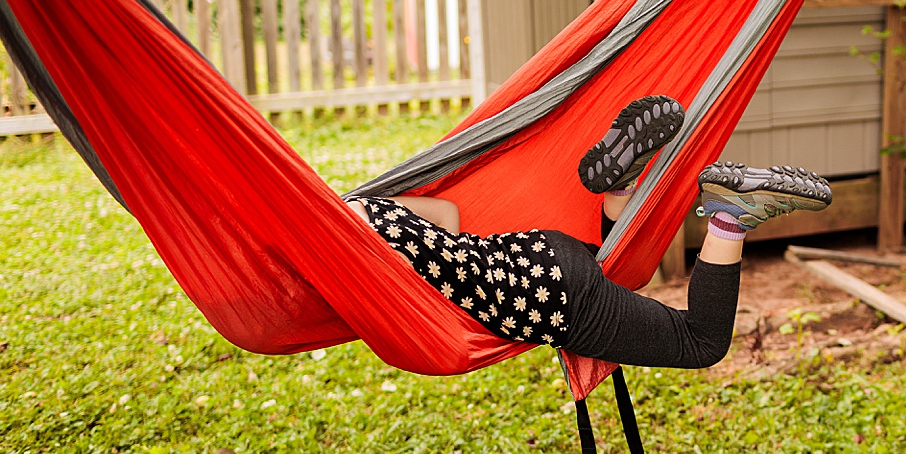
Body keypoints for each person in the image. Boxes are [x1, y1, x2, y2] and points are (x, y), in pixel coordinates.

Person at [346, 95, 831, 368]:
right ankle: (619, 188)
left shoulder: (339, 258)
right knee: (611, 267)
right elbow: (447, 215)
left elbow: (426, 342)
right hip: (536, 251)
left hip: (550, 299)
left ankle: (730, 215)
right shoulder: (364, 209)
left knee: (702, 342)